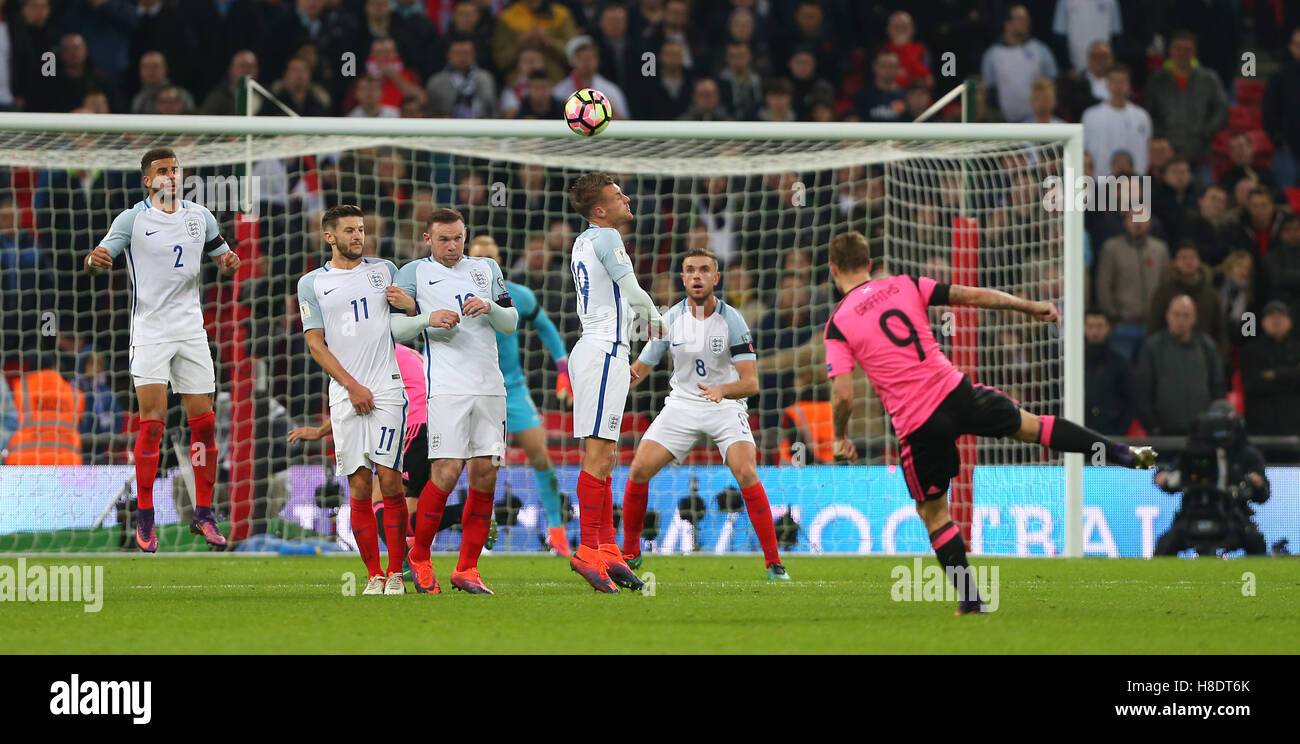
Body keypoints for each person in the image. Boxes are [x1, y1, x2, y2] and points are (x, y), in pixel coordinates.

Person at [822, 231, 1155, 615]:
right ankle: (1118, 451)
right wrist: (1030, 307)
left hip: (917, 424)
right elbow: (973, 295)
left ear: (833, 270)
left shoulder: (838, 324)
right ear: (868, 264)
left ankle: (971, 600)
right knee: (1034, 426)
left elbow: (844, 395)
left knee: (934, 512)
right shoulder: (906, 284)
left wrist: (839, 436)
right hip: (957, 392)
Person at [83, 146, 240, 552]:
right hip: (150, 330)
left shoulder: (199, 217)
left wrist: (228, 262)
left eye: (175, 169)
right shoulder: (132, 219)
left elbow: (222, 254)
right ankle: (146, 515)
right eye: (162, 171)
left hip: (191, 330)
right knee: (152, 422)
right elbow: (98, 258)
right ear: (147, 180)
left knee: (203, 424)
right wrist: (93, 260)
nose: (171, 176)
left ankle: (203, 514)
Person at [623, 247, 787, 579]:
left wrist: (723, 391)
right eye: (690, 270)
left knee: (746, 473)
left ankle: (773, 562)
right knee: (639, 470)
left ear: (716, 277)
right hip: (682, 406)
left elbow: (751, 382)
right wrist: (612, 386)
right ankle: (630, 553)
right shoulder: (669, 320)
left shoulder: (732, 320)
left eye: (704, 270)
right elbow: (640, 370)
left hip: (724, 406)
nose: (697, 276)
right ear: (683, 278)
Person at [392, 208, 518, 595]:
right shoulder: (413, 273)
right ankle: (420, 557)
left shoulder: (486, 269)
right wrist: (428, 318)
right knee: (445, 472)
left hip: (490, 388)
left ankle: (467, 569)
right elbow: (395, 327)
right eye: (444, 239)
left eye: (458, 238)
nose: (452, 246)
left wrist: (490, 307)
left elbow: (510, 322)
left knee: (486, 475)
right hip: (446, 388)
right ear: (427, 239)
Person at [295, 205, 412, 595]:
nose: (358, 236)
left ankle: (397, 573)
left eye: (361, 229)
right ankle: (373, 575)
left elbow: (408, 319)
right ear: (330, 237)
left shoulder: (386, 270)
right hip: (345, 395)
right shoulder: (310, 284)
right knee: (359, 488)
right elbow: (315, 345)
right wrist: (351, 386)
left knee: (390, 481)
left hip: (387, 388)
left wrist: (411, 306)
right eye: (349, 230)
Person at [564, 171, 665, 593]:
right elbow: (635, 291)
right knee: (599, 455)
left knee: (607, 456)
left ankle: (606, 548)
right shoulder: (606, 238)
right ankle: (589, 549)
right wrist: (660, 324)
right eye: (617, 194)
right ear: (600, 210)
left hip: (599, 350)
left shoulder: (584, 241)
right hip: (604, 351)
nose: (627, 197)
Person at [466, 235, 574, 556]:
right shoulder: (452, 292)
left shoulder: (517, 294)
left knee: (540, 456)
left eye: (491, 256)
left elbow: (546, 328)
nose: (485, 261)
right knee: (477, 466)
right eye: (479, 256)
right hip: (473, 390)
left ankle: (556, 530)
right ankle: (479, 532)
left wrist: (564, 370)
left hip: (512, 389)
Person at [1153, 401, 1270, 556]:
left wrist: (1258, 483)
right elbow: (1170, 478)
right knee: (1165, 545)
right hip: (1193, 512)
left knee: (1255, 542)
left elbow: (1263, 495)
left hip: (1231, 513)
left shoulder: (1247, 454)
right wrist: (1162, 477)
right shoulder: (1194, 452)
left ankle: (1256, 579)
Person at [1135, 295, 1226, 435]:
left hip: (1201, 433)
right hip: (1164, 433)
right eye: (1176, 314)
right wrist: (1153, 426)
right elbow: (1142, 391)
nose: (1181, 320)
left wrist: (1211, 422)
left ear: (1194, 318)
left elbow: (1217, 387)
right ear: (1167, 316)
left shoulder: (1207, 347)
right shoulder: (1152, 347)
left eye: (1186, 315)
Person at [1242, 300, 1300, 436]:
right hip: (1260, 425)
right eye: (1271, 315)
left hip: (1293, 425)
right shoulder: (1251, 350)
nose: (1276, 319)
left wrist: (1274, 374)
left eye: (1281, 315)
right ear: (1263, 322)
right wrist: (1291, 375)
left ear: (1290, 322)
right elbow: (1252, 384)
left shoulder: (1297, 349)